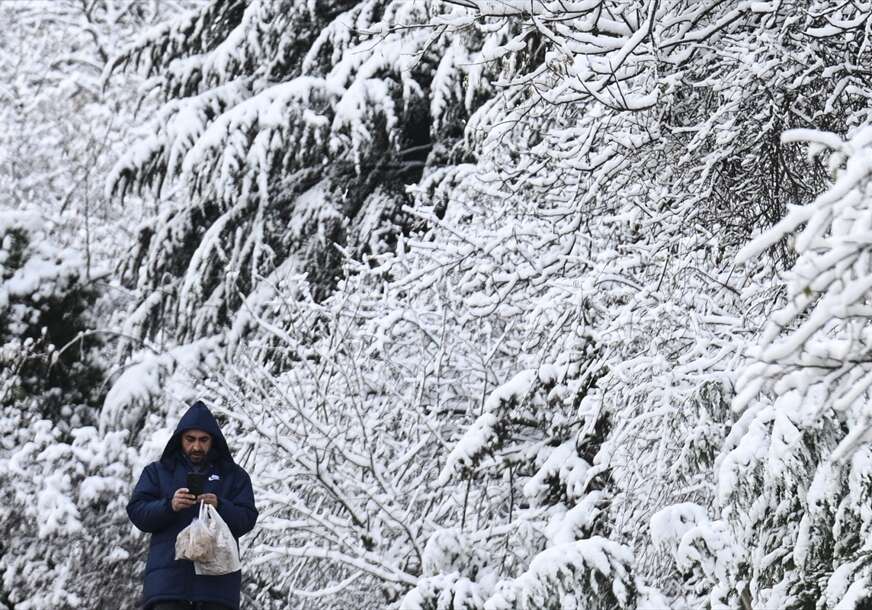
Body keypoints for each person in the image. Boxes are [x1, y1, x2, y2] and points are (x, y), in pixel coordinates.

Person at [128, 400, 258, 610]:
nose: (196, 446)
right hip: (168, 587)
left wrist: (220, 506)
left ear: (213, 441)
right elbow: (137, 511)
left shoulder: (234, 476)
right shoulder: (157, 472)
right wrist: (169, 506)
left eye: (203, 440)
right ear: (180, 439)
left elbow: (247, 518)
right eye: (190, 439)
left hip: (217, 588)